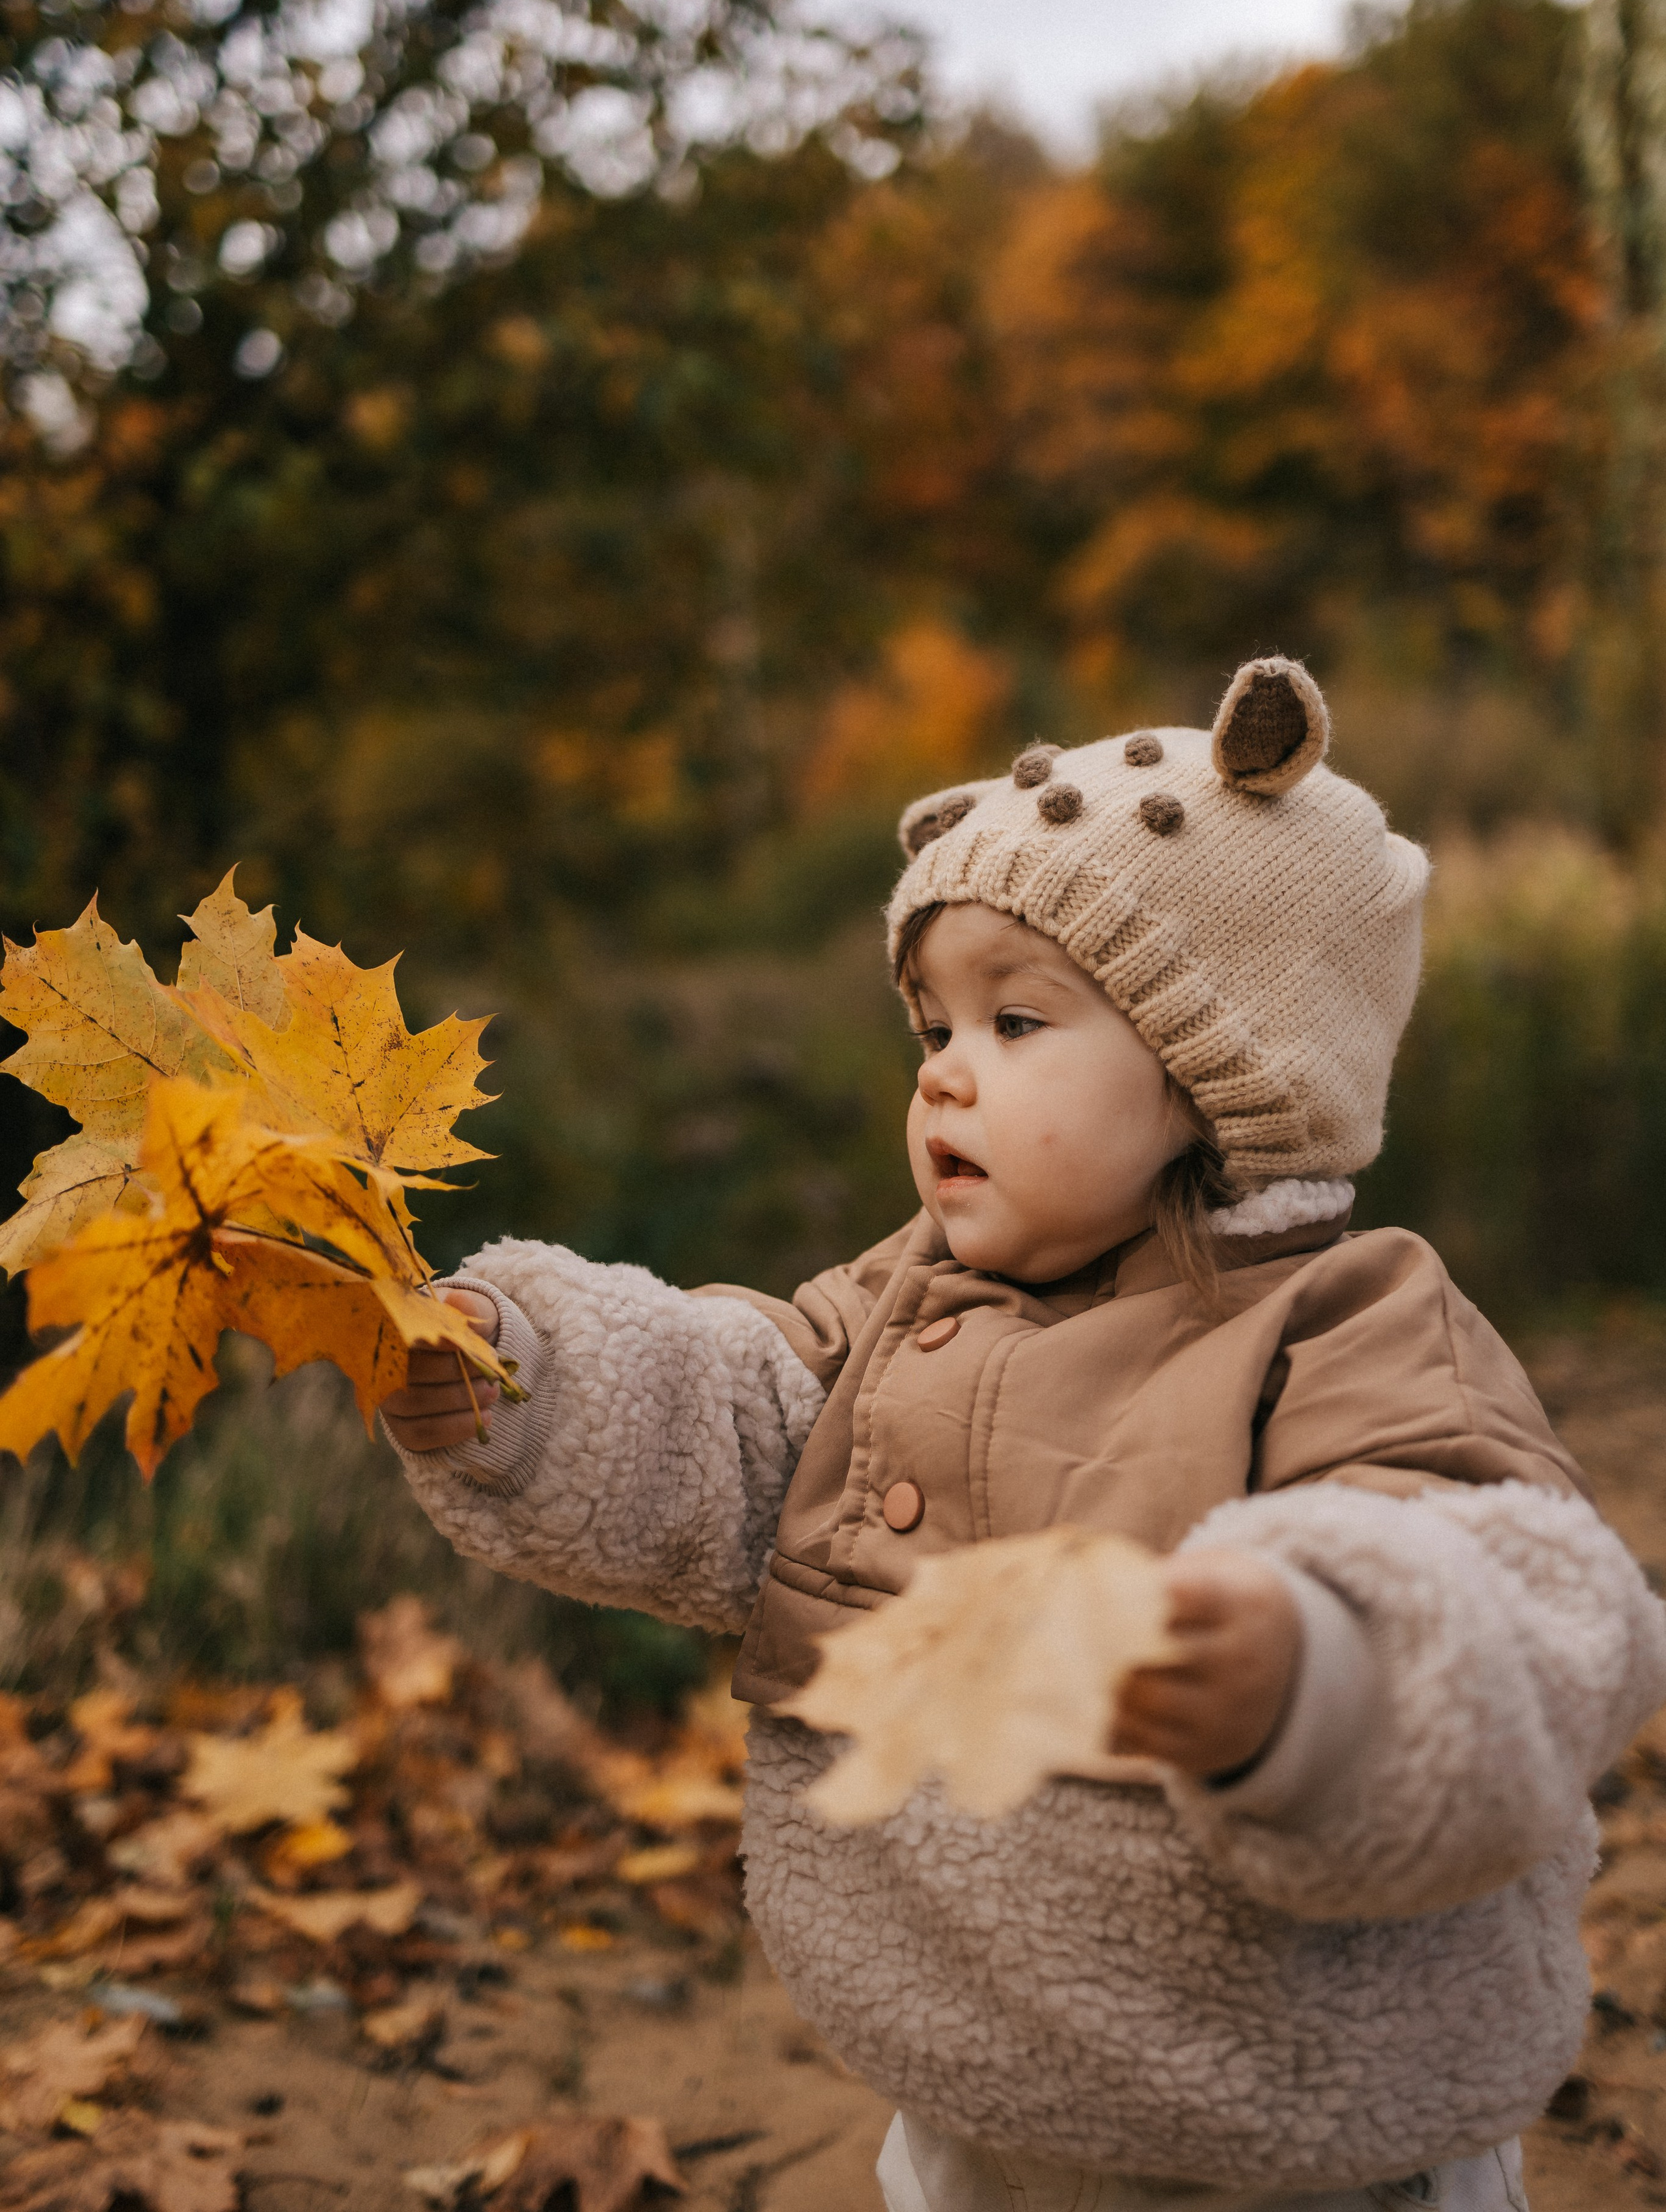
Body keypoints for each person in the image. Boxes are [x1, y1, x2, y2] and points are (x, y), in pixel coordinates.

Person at [382, 655, 1666, 2212]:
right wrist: (522, 1380)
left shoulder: (1347, 1322)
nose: (938, 1068)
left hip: (1297, 2120)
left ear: (1222, 1075)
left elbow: (1530, 1604)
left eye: (1011, 1017)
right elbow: (740, 1413)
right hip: (973, 2088)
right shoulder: (902, 1293)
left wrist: (1303, 1666)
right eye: (928, 1021)